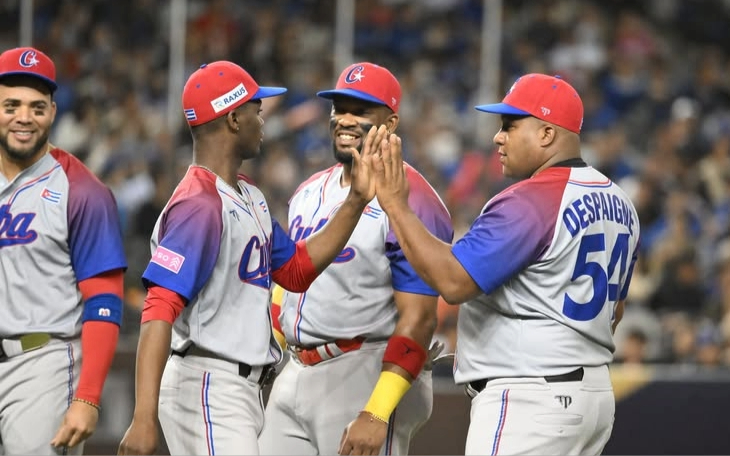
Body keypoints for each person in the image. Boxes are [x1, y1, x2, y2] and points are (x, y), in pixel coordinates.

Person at [117, 60, 381, 455]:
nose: (263, 120)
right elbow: (158, 311)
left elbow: (295, 271)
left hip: (238, 389)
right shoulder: (200, 204)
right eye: (257, 111)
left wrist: (356, 201)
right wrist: (142, 417)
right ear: (234, 119)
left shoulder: (246, 194)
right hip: (206, 382)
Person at [372, 73, 641, 455]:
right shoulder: (621, 202)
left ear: (547, 133)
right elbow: (615, 310)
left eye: (509, 126)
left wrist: (396, 205)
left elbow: (453, 281)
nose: (498, 137)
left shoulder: (531, 199)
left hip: (530, 399)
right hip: (591, 394)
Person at [259, 62, 454, 456]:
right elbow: (290, 285)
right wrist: (274, 349)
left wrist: (378, 411)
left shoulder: (413, 200)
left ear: (391, 121)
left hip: (364, 368)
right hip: (295, 369)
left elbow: (419, 317)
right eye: (339, 108)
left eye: (361, 110)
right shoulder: (310, 190)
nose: (345, 119)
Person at [0, 46, 127, 454]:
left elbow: (104, 301)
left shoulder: (82, 190)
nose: (24, 117)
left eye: (37, 107)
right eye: (12, 105)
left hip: (42, 362)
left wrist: (87, 397)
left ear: (53, 113)